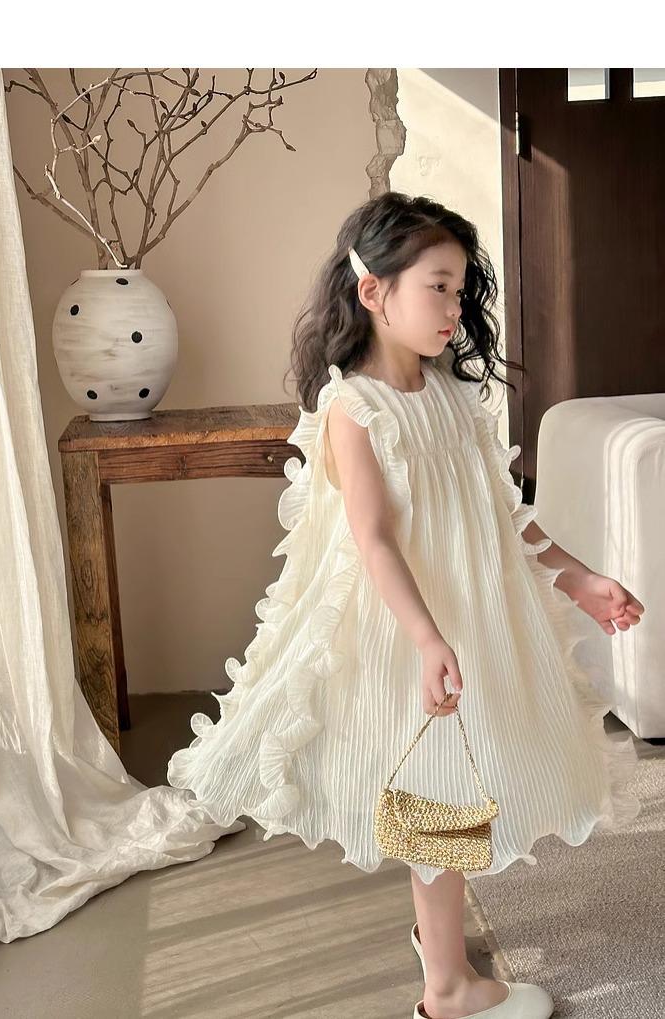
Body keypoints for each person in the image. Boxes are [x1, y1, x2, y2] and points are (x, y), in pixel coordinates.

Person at [166, 191, 644, 1019]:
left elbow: (504, 517)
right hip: (408, 628)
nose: (456, 308)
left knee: (463, 782)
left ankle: (440, 943)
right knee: (437, 797)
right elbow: (375, 540)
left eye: (461, 290)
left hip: (475, 618)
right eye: (439, 287)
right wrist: (425, 638)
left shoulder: (451, 396)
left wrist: (581, 579)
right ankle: (448, 990)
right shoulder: (356, 409)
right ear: (373, 291)